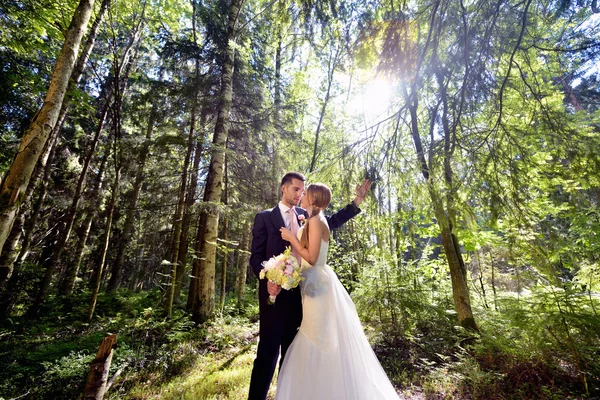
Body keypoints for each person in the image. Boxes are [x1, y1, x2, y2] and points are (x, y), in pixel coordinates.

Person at [248, 172, 370, 400]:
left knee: (294, 355)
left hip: (303, 296)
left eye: (303, 190)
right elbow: (255, 258)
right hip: (273, 296)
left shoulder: (308, 216)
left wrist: (356, 203)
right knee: (267, 355)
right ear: (283, 188)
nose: (300, 194)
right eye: (296, 189)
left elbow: (330, 223)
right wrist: (267, 282)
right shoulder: (264, 218)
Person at [275, 183, 400, 400]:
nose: (302, 195)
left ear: (313, 199)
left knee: (316, 337)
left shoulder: (315, 221)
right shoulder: (314, 219)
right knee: (316, 336)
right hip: (312, 284)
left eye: (306, 193)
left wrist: (292, 237)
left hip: (317, 287)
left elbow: (312, 259)